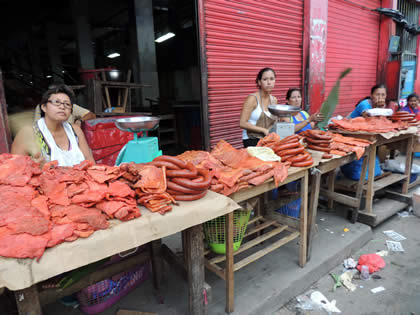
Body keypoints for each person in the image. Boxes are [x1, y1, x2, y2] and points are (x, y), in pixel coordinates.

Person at [11, 84, 95, 167]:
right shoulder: (29, 132)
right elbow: (15, 170)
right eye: (56, 102)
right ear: (44, 107)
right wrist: (32, 166)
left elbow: (90, 161)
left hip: (79, 179)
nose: (62, 107)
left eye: (67, 104)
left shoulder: (75, 130)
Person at [240, 68, 278, 147]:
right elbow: (242, 123)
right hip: (251, 139)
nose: (269, 82)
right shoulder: (252, 99)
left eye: (272, 79)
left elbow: (274, 122)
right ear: (259, 82)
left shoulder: (274, 100)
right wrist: (263, 130)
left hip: (267, 139)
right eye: (265, 79)